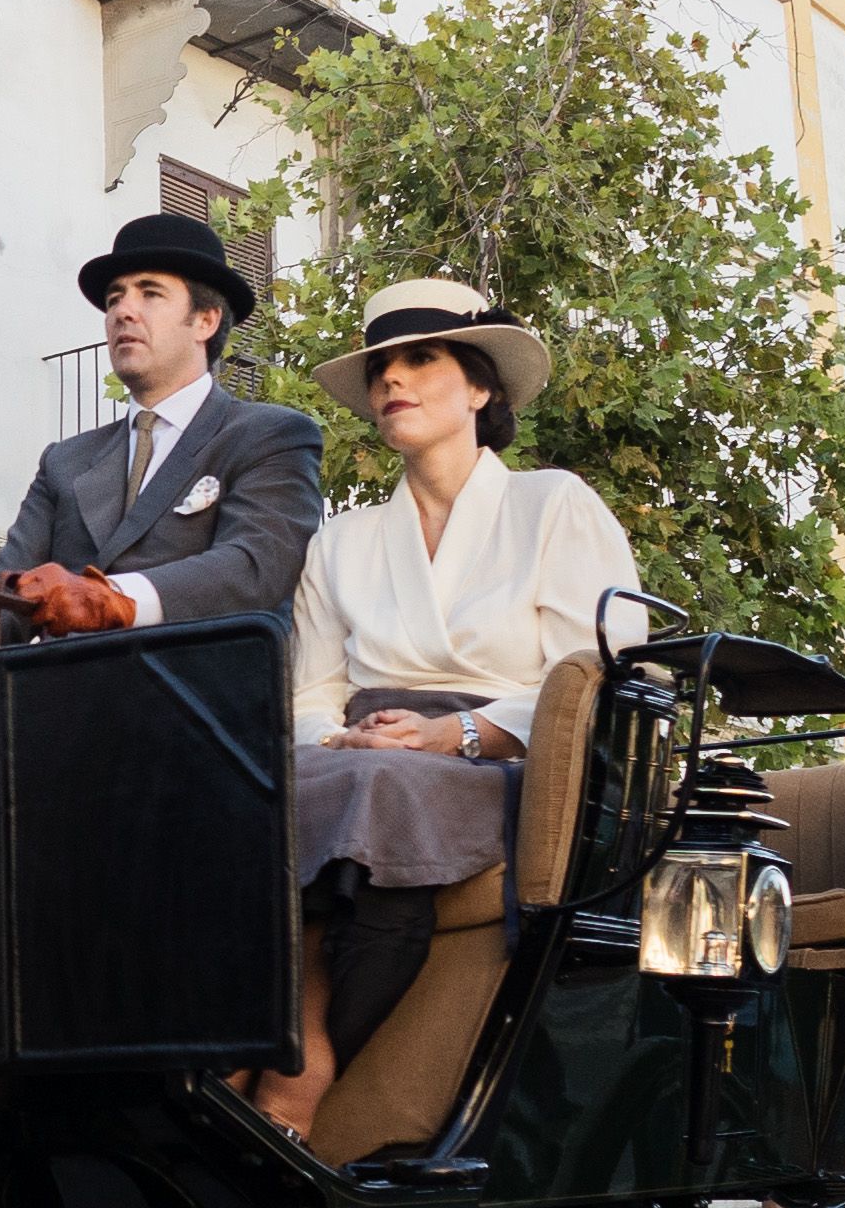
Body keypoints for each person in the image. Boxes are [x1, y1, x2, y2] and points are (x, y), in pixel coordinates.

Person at [243, 278, 639, 1141]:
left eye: (420, 359)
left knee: (383, 793)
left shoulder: (551, 503)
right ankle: (266, 1047)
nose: (392, 379)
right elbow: (309, 691)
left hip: (501, 761)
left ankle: (297, 1077)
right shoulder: (341, 539)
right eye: (380, 366)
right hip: (356, 754)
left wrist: (453, 733)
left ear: (479, 388)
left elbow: (596, 669)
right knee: (249, 786)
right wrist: (343, 737)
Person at [0, 213, 322, 655]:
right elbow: (10, 587)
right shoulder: (64, 461)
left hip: (198, 692)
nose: (122, 311)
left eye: (150, 293)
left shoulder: (270, 436)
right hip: (65, 692)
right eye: (115, 298)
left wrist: (114, 599)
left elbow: (255, 568)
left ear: (206, 321)